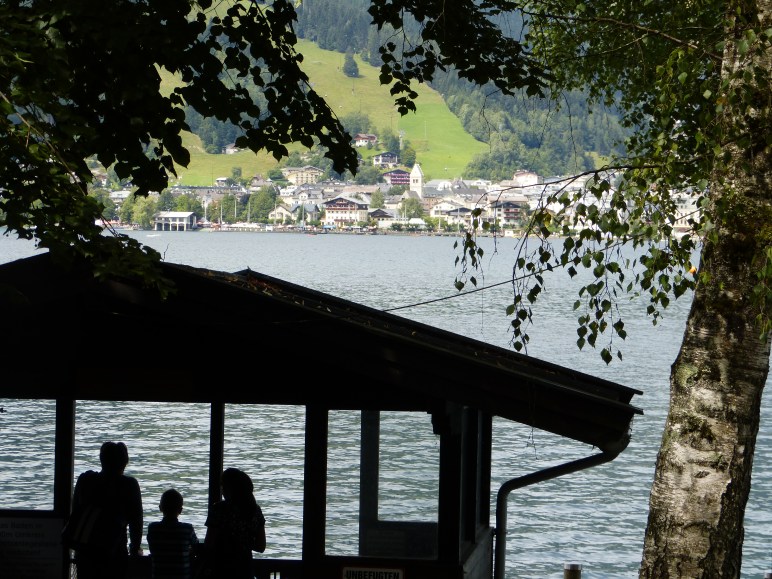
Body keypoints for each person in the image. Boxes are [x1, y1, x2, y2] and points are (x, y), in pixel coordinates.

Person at [69, 441, 144, 579]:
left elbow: (75, 513)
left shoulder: (85, 480)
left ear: (102, 460)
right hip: (115, 552)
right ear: (124, 463)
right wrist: (135, 549)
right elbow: (136, 522)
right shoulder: (129, 485)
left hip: (86, 551)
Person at [202, 468, 266, 579]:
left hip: (221, 569)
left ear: (229, 488)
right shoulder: (255, 511)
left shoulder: (219, 509)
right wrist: (243, 542)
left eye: (223, 486)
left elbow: (209, 544)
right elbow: (261, 546)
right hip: (245, 569)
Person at [147, 488, 199, 579]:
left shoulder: (153, 528)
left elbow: (153, 548)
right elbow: (196, 547)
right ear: (180, 510)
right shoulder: (187, 529)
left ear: (160, 508)